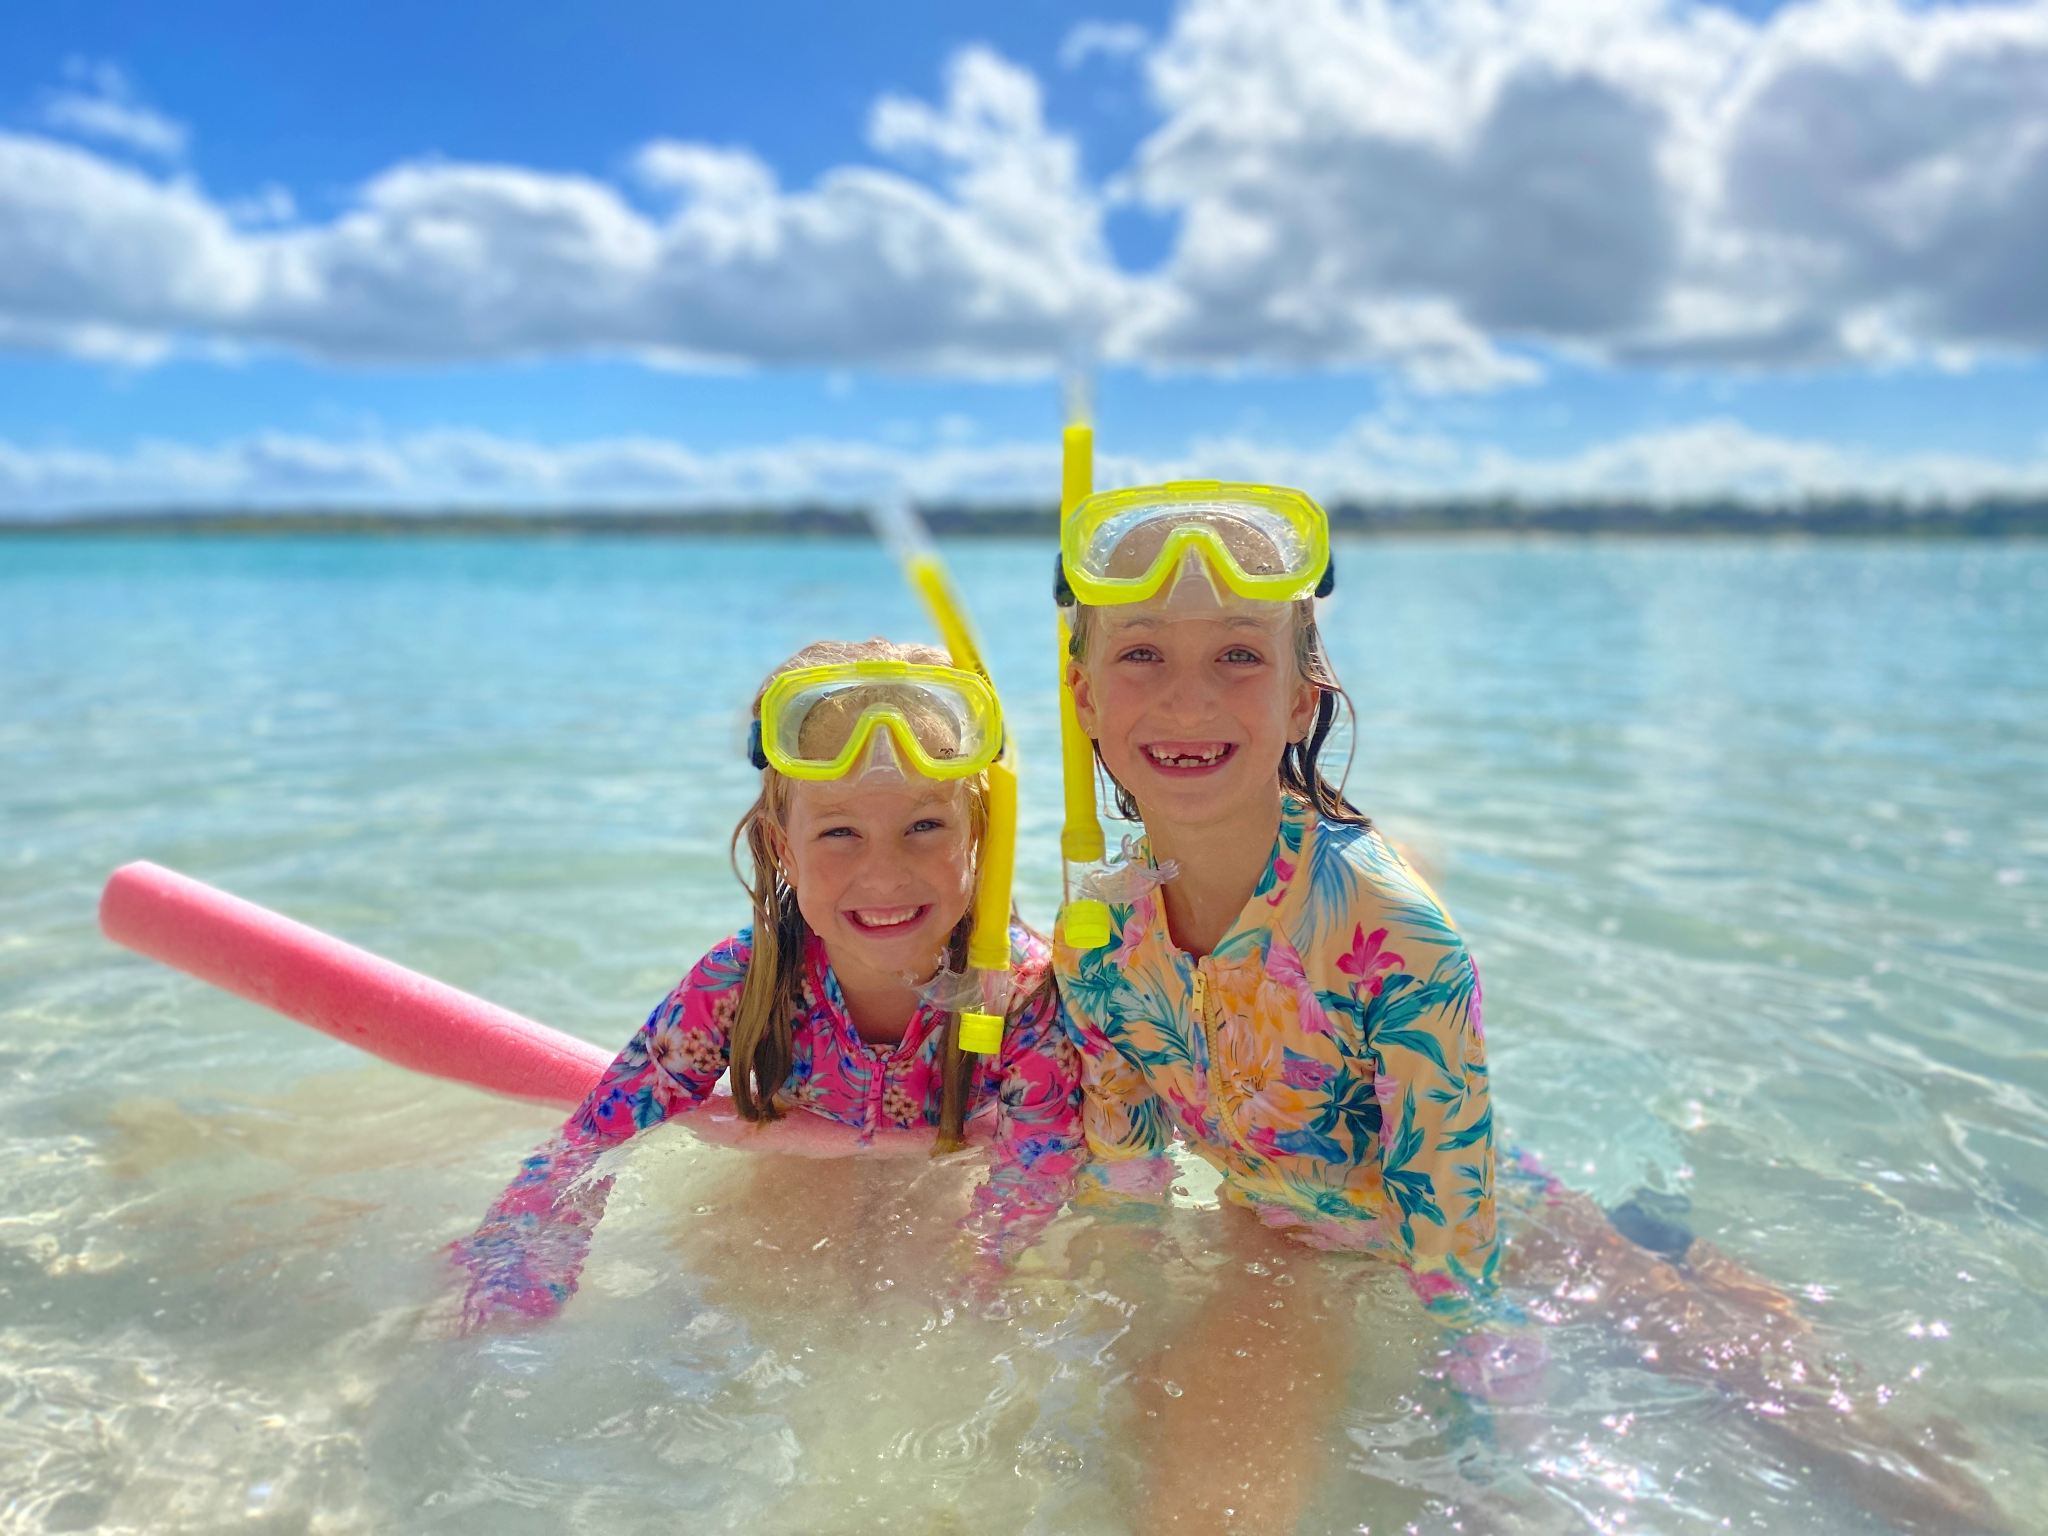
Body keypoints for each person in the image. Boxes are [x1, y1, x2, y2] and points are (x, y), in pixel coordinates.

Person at [1051, 482, 2003, 1533]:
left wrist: (1477, 1430)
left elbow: (1453, 1234)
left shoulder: (1388, 929)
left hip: (1503, 1225)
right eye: (1140, 653)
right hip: (1285, 1219)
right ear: (1083, 696)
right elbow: (1124, 1177)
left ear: (1298, 701)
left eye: (1237, 653)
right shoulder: (1096, 937)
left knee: (1778, 1394)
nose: (1185, 698)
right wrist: (1095, 1328)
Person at [450, 638, 1084, 1330]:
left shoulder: (1022, 999)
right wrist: (515, 1268)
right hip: (795, 1197)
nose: (884, 873)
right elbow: (596, 1135)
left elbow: (1035, 1179)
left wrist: (970, 1284)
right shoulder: (742, 982)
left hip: (945, 1207)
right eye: (840, 832)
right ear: (785, 849)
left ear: (979, 838)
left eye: (924, 826)